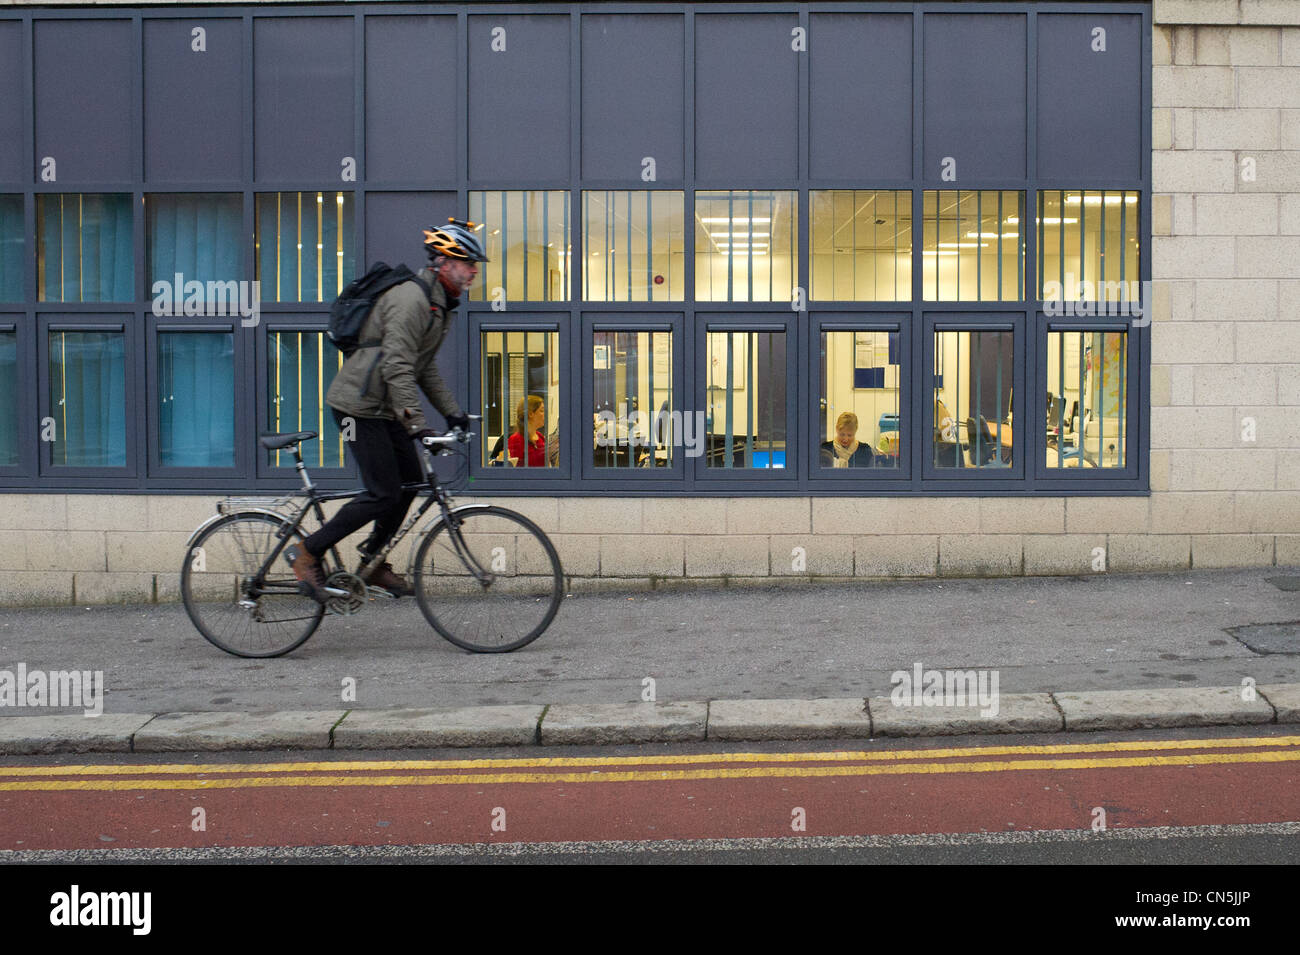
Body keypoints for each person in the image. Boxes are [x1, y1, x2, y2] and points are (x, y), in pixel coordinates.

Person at [283, 219, 487, 601]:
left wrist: (453, 413)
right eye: (466, 261)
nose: (474, 269)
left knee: (409, 483)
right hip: (354, 408)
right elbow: (396, 365)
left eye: (475, 263)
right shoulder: (412, 298)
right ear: (443, 261)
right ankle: (307, 551)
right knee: (382, 493)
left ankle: (373, 560)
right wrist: (419, 426)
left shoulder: (438, 304)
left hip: (384, 408)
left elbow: (422, 366)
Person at [508, 395, 547, 468]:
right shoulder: (515, 440)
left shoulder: (540, 437)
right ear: (530, 414)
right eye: (541, 411)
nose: (544, 414)